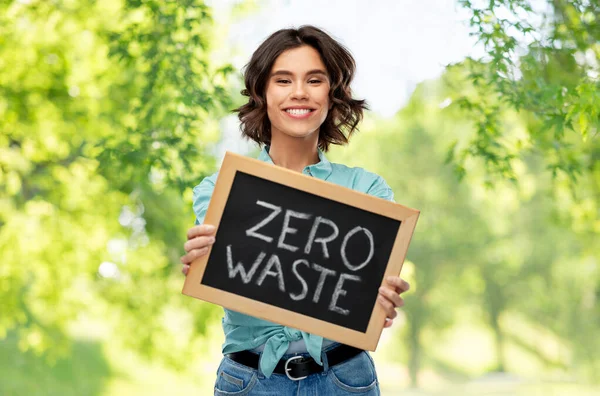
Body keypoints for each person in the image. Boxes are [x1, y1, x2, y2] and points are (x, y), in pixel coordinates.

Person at [181, 25, 410, 395]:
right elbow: (235, 278)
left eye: (314, 80)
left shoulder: (368, 191)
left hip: (345, 380)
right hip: (250, 382)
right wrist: (204, 263)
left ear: (333, 94)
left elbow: (364, 295)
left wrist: (378, 301)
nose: (299, 93)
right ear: (263, 93)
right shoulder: (219, 190)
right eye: (283, 80)